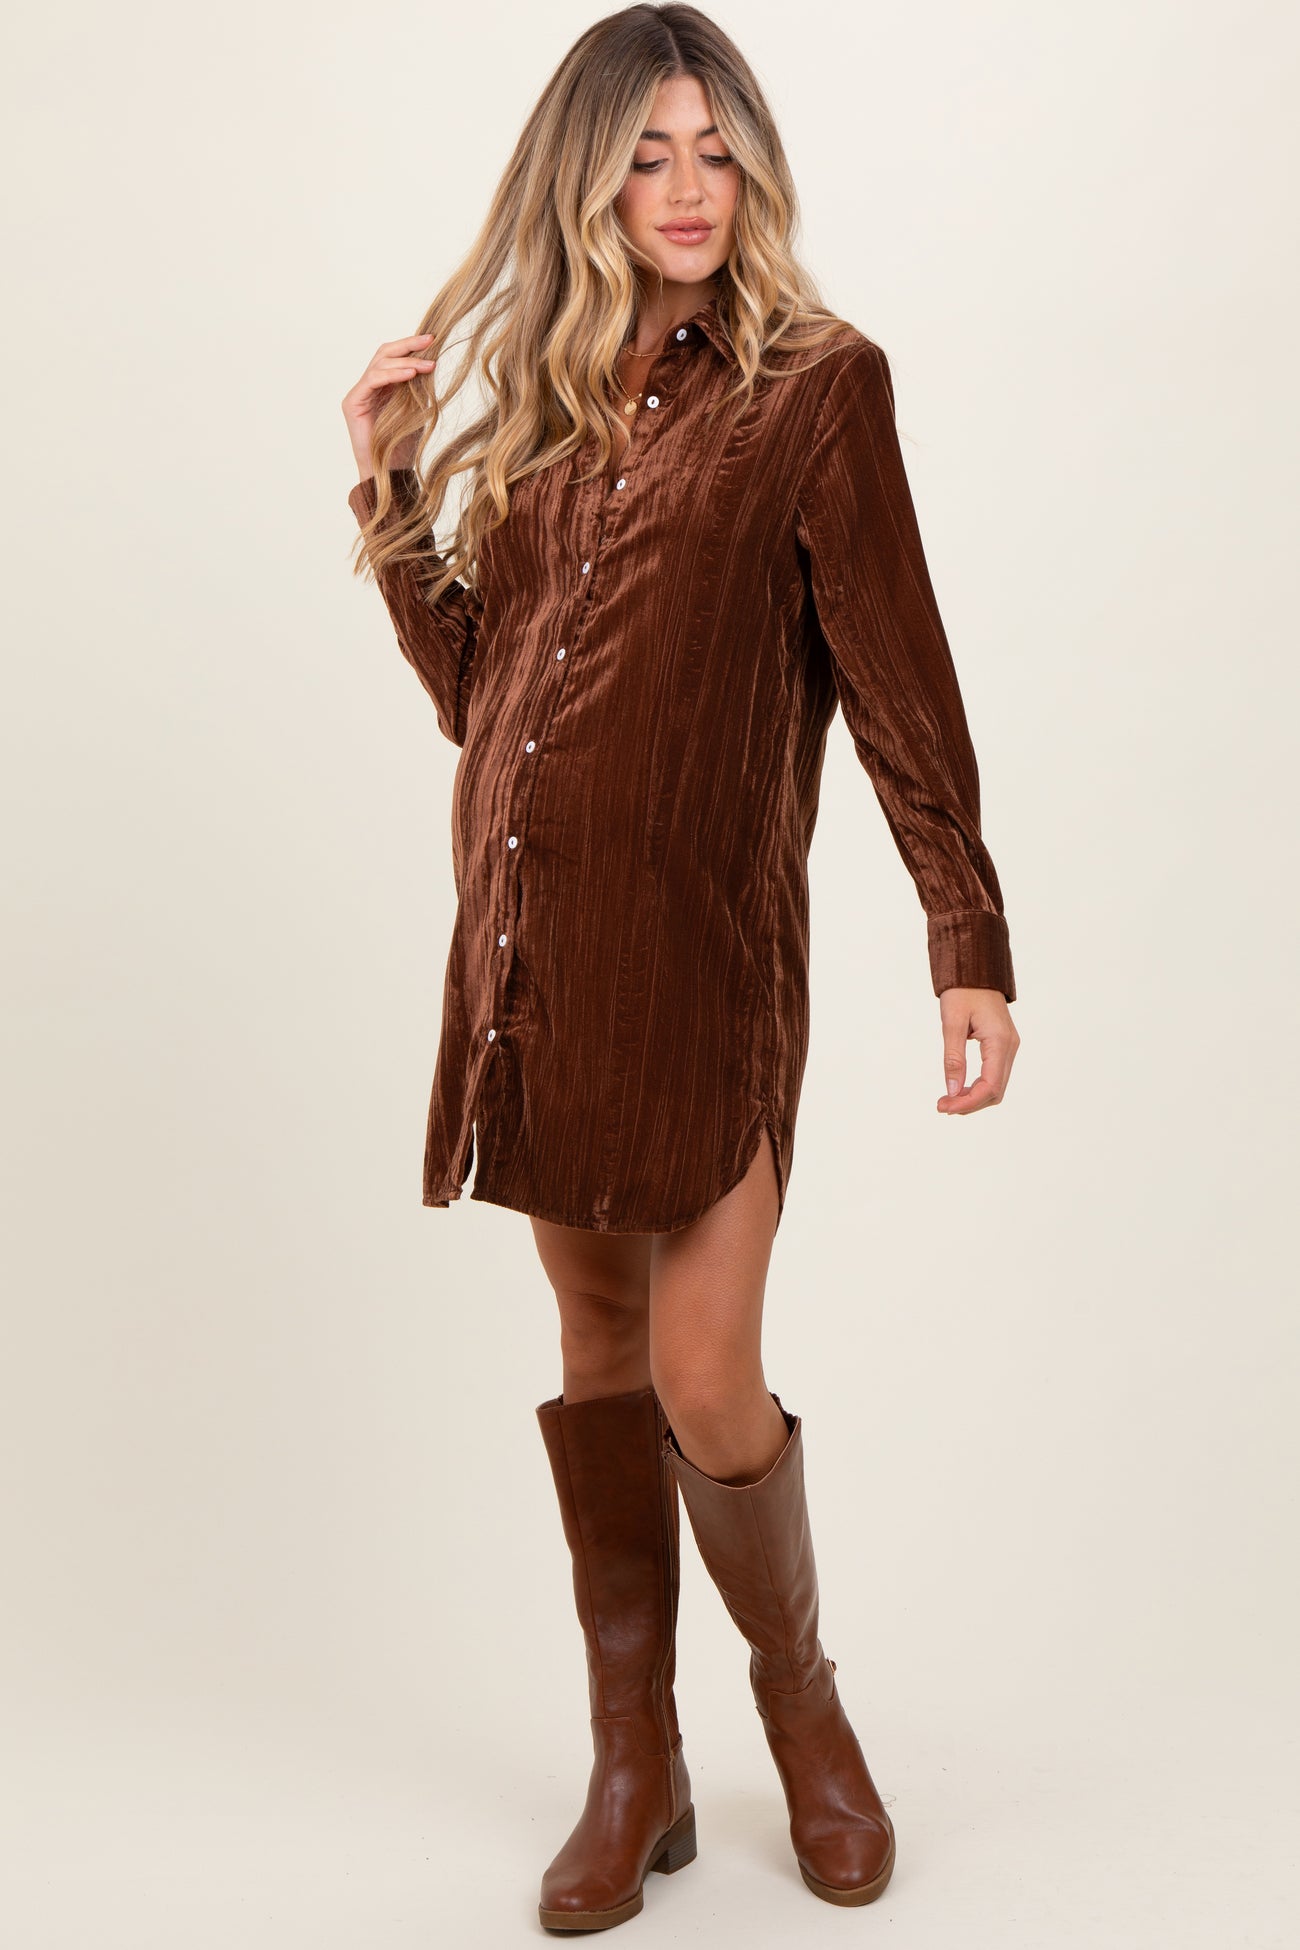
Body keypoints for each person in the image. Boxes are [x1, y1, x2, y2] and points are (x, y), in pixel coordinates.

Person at [341, 2, 1019, 1931]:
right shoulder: (546, 409)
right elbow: (485, 698)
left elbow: (898, 677)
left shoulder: (820, 386)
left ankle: (801, 1706)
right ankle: (631, 1761)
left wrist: (963, 934)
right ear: (587, 179)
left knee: (707, 1368)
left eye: (716, 149)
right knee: (599, 1353)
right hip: (540, 949)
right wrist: (393, 494)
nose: (687, 187)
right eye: (646, 153)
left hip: (708, 956)